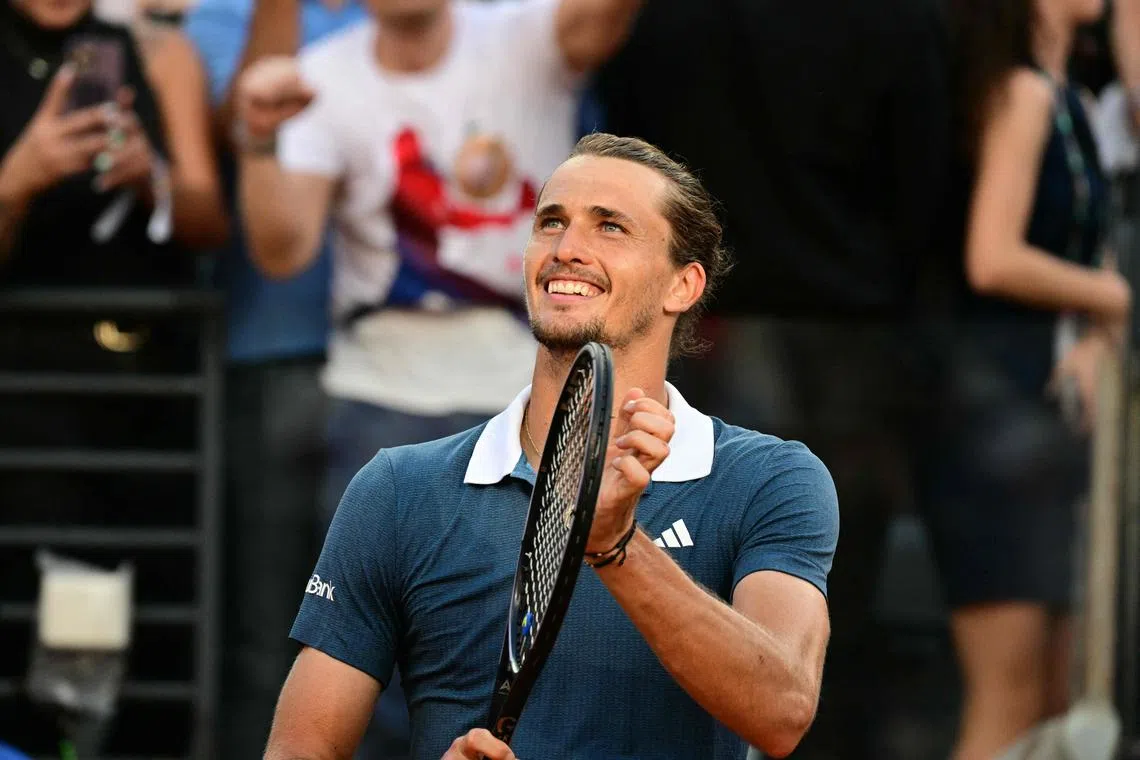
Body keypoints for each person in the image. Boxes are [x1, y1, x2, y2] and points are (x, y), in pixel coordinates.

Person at [263, 133, 839, 760]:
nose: (567, 250)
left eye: (610, 227)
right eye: (551, 223)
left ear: (683, 285)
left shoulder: (771, 480)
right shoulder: (398, 490)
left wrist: (617, 547)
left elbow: (782, 712)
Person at [232, 0, 644, 754]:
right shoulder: (326, 76)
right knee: (371, 653)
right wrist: (259, 141)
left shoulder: (523, 32)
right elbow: (284, 249)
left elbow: (608, 18)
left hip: (530, 385)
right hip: (379, 395)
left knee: (540, 637)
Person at [591, 1, 952, 756]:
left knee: (673, 569)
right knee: (827, 599)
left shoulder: (665, 18)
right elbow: (925, 183)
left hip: (700, 325)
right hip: (841, 330)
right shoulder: (896, 21)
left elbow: (628, 151)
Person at [929, 0, 1132, 757]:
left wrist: (1101, 326)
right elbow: (993, 254)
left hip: (1050, 422)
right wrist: (1117, 299)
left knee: (1057, 695)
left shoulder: (1072, 96)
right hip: (993, 419)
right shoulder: (1020, 94)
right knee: (1008, 689)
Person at [183, 0, 364, 755]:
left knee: (412, 626)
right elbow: (233, 126)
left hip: (417, 371)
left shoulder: (437, 17)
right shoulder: (226, 15)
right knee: (269, 626)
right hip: (275, 350)